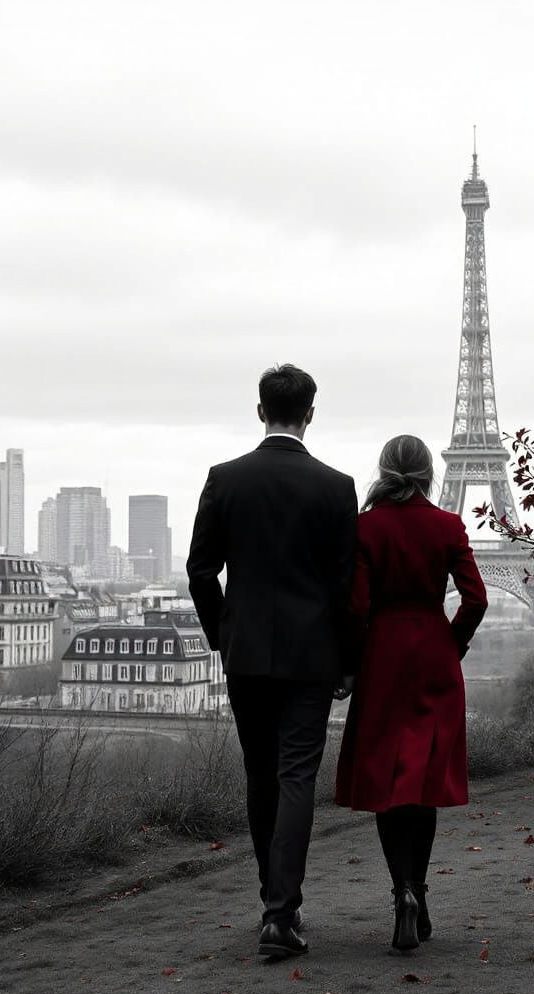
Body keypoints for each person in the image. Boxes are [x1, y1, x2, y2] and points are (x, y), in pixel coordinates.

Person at [187, 364, 357, 959]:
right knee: (296, 778)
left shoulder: (224, 479)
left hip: (247, 654)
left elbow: (200, 571)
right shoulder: (337, 487)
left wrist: (221, 634)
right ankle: (281, 911)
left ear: (260, 410)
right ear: (310, 414)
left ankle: (273, 899)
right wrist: (347, 661)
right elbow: (344, 587)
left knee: (260, 774)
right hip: (312, 657)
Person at [334, 434, 488, 951]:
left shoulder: (365, 528)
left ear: (384, 469)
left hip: (382, 658)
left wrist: (350, 667)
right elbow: (476, 598)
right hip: (433, 658)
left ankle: (401, 889)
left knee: (385, 778)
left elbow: (355, 610)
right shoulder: (448, 526)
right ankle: (417, 889)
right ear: (429, 473)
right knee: (423, 778)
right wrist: (453, 643)